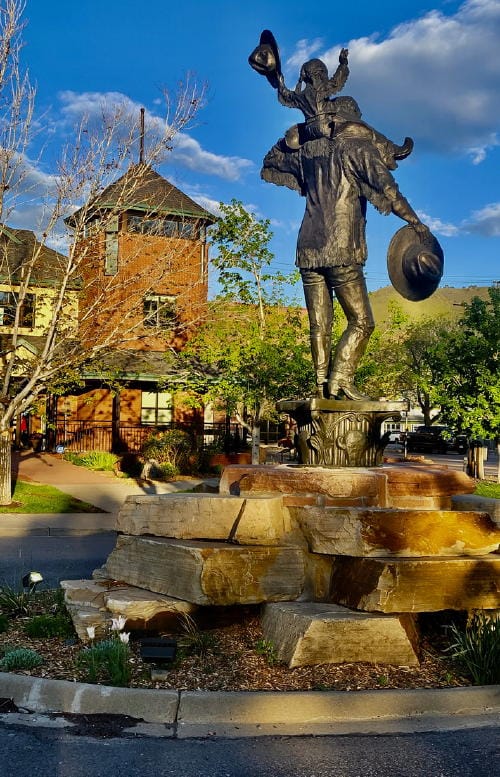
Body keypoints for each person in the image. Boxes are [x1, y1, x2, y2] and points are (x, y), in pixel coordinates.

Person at [261, 95, 430, 400]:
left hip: (308, 249)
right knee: (362, 321)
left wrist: (307, 131)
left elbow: (273, 158)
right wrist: (416, 223)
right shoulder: (355, 148)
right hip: (340, 247)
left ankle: (321, 384)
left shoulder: (308, 153)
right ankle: (341, 378)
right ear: (352, 118)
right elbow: (387, 189)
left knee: (319, 325)